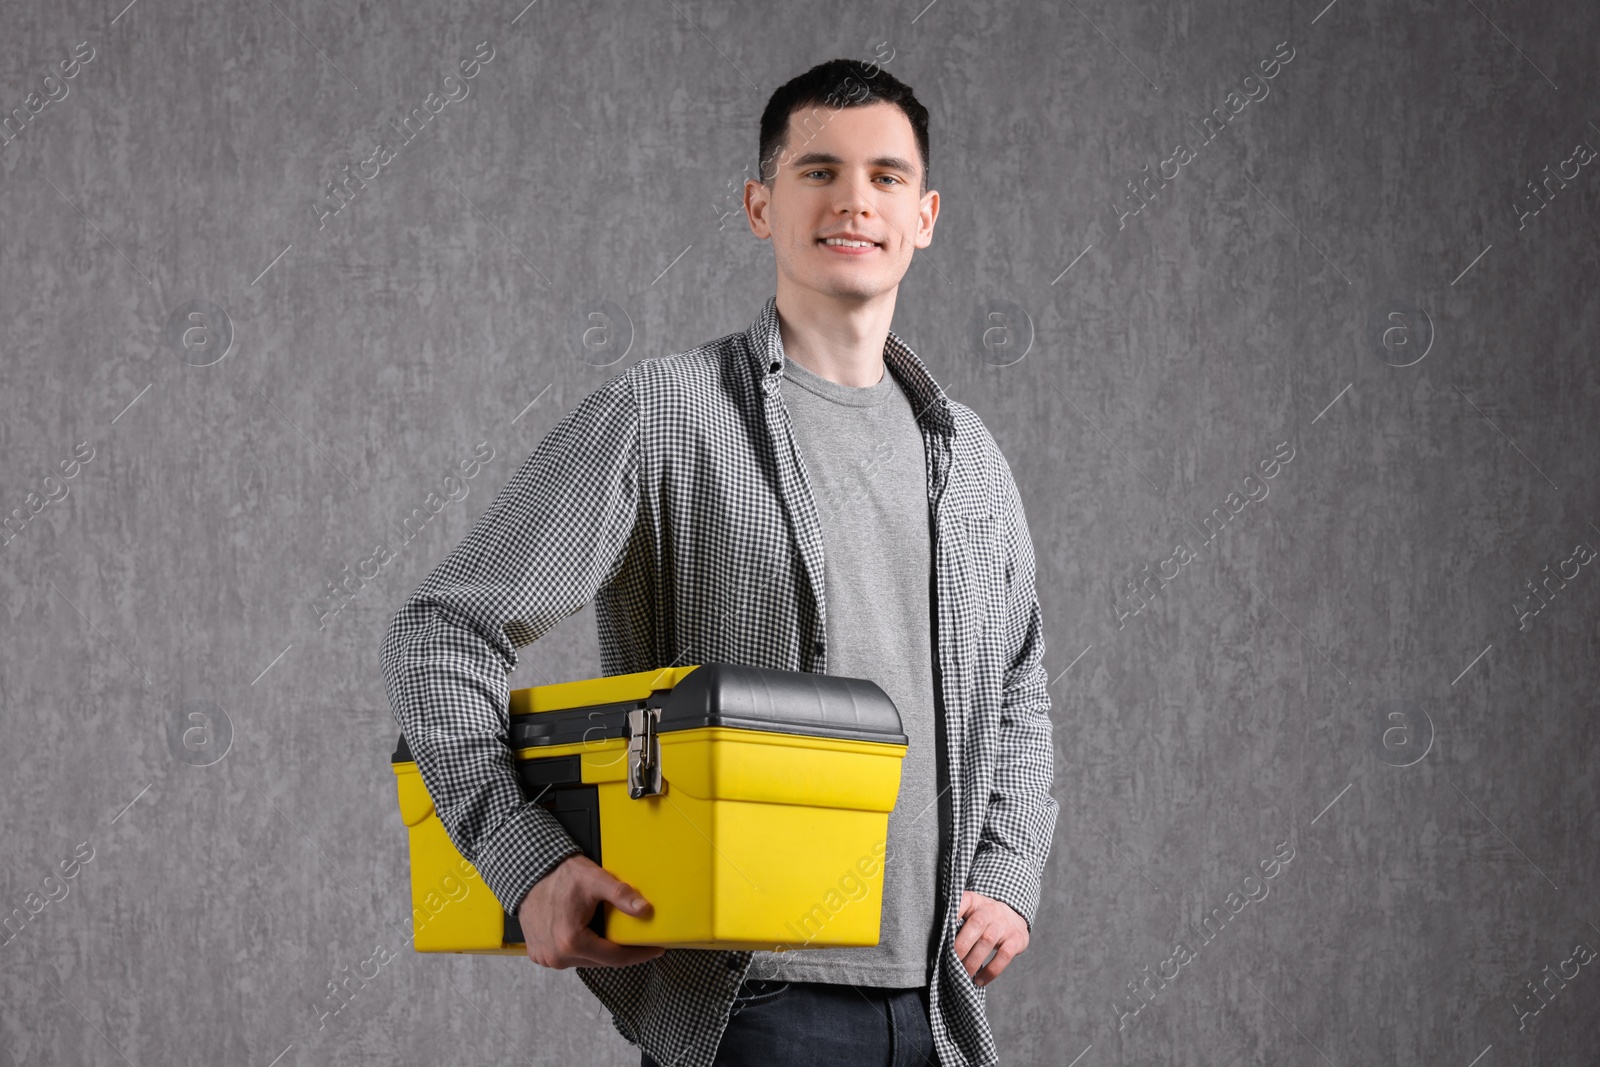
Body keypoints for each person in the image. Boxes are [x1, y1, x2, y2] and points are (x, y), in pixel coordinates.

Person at [380, 57, 1058, 1067]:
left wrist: (1008, 872)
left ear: (924, 215)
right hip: (753, 1009)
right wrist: (528, 862)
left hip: (937, 1013)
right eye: (816, 170)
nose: (851, 200)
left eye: (883, 176)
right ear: (759, 204)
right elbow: (441, 630)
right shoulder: (666, 413)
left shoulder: (970, 458)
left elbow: (1018, 688)